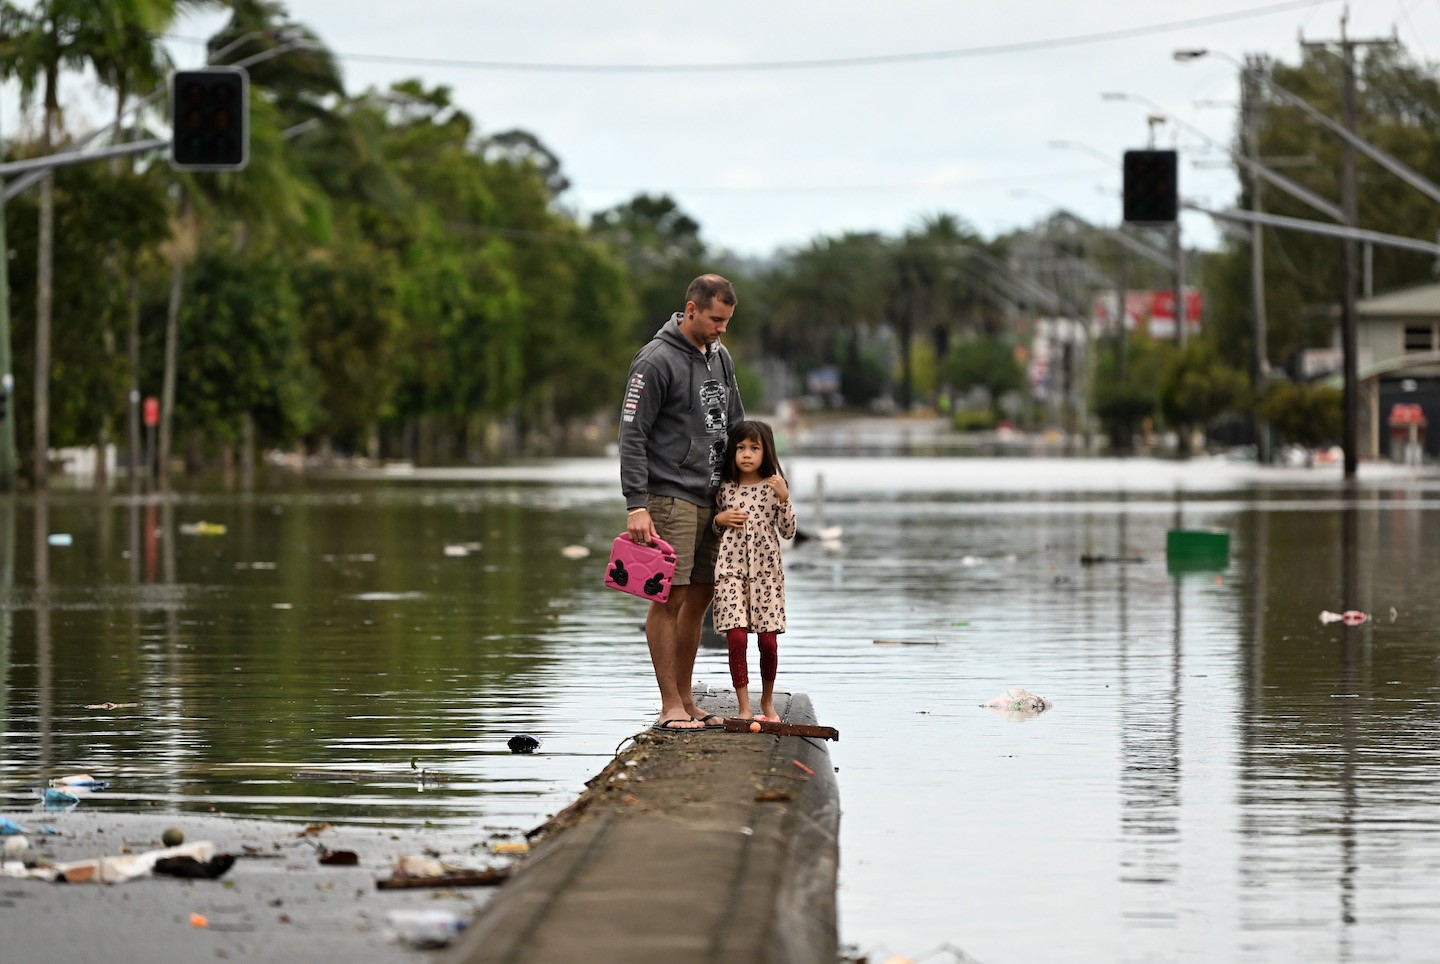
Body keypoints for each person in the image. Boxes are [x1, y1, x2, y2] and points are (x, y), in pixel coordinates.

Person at [619, 274, 745, 732]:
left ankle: (689, 701)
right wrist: (636, 503)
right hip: (668, 495)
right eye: (715, 319)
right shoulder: (653, 362)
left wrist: (753, 480)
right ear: (691, 309)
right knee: (668, 598)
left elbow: (736, 423)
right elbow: (632, 436)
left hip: (714, 496)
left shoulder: (721, 356)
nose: (721, 329)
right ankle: (669, 704)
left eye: (727, 322)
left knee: (700, 596)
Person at [711, 419, 796, 722]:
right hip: (731, 572)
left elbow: (788, 532)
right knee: (736, 637)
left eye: (754, 448)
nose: (747, 454)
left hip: (767, 575)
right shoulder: (724, 489)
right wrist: (719, 520)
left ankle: (767, 701)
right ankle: (744, 706)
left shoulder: (774, 487)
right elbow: (714, 527)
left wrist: (785, 499)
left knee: (767, 641)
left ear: (766, 451)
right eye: (741, 448)